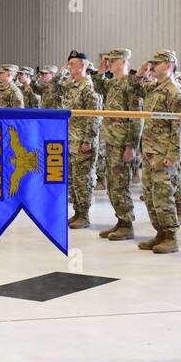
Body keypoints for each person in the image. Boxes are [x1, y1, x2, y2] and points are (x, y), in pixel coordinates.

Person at [134, 50, 181, 254]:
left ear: (168, 65)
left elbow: (179, 127)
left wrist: (173, 155)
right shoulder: (154, 88)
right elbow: (134, 88)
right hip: (149, 151)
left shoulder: (174, 92)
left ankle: (171, 236)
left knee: (164, 195)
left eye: (157, 63)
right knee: (150, 195)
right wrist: (139, 74)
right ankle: (160, 232)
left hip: (163, 153)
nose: (153, 67)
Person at [95, 48, 142, 241]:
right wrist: (100, 70)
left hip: (123, 143)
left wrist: (131, 146)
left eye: (112, 61)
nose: (109, 64)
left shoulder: (131, 84)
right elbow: (98, 86)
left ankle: (127, 224)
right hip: (111, 141)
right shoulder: (113, 83)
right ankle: (120, 221)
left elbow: (137, 118)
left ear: (122, 62)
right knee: (113, 185)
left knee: (121, 185)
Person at [55, 52, 102, 229]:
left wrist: (88, 140)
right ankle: (77, 212)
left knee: (83, 179)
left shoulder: (89, 87)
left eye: (73, 64)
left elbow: (95, 116)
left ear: (83, 65)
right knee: (74, 179)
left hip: (83, 141)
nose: (69, 67)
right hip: (70, 140)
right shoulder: (72, 86)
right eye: (69, 64)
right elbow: (53, 87)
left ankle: (85, 215)